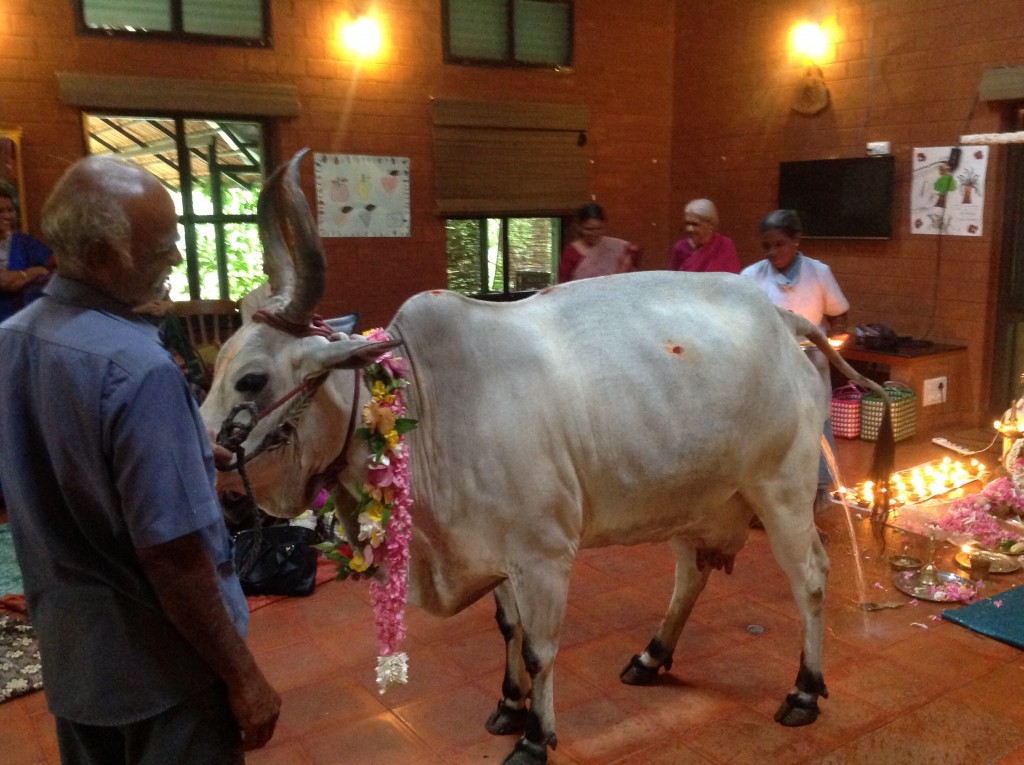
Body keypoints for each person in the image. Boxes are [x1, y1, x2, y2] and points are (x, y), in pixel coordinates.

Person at [0, 156, 280, 763]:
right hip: (162, 675)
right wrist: (243, 678)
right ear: (104, 256)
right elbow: (173, 558)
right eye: (161, 249)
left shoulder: (14, 337)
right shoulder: (137, 368)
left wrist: (175, 442)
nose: (175, 262)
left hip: (76, 665)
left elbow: (55, 452)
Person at [741, 209, 850, 513]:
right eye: (767, 246)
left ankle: (815, 494)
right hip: (771, 363)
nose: (773, 253)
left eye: (780, 244)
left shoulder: (819, 273)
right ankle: (766, 498)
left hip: (811, 361)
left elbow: (839, 316)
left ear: (797, 240)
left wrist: (836, 340)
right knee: (771, 425)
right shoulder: (751, 277)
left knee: (815, 423)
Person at [0, 185, 54, 323]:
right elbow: (5, 281)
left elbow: (52, 269)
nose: (7, 216)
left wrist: (18, 277)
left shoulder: (25, 242)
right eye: (0, 211)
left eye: (10, 210)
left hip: (20, 324)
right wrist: (29, 273)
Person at [558, 203, 641, 282]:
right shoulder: (571, 252)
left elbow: (631, 267)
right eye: (589, 229)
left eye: (599, 229)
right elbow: (564, 283)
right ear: (579, 227)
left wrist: (626, 263)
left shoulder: (616, 246)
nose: (594, 233)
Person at [668, 198, 740, 273]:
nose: (689, 229)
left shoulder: (725, 244)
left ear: (710, 225)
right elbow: (673, 279)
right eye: (687, 223)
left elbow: (733, 278)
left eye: (695, 224)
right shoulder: (680, 247)